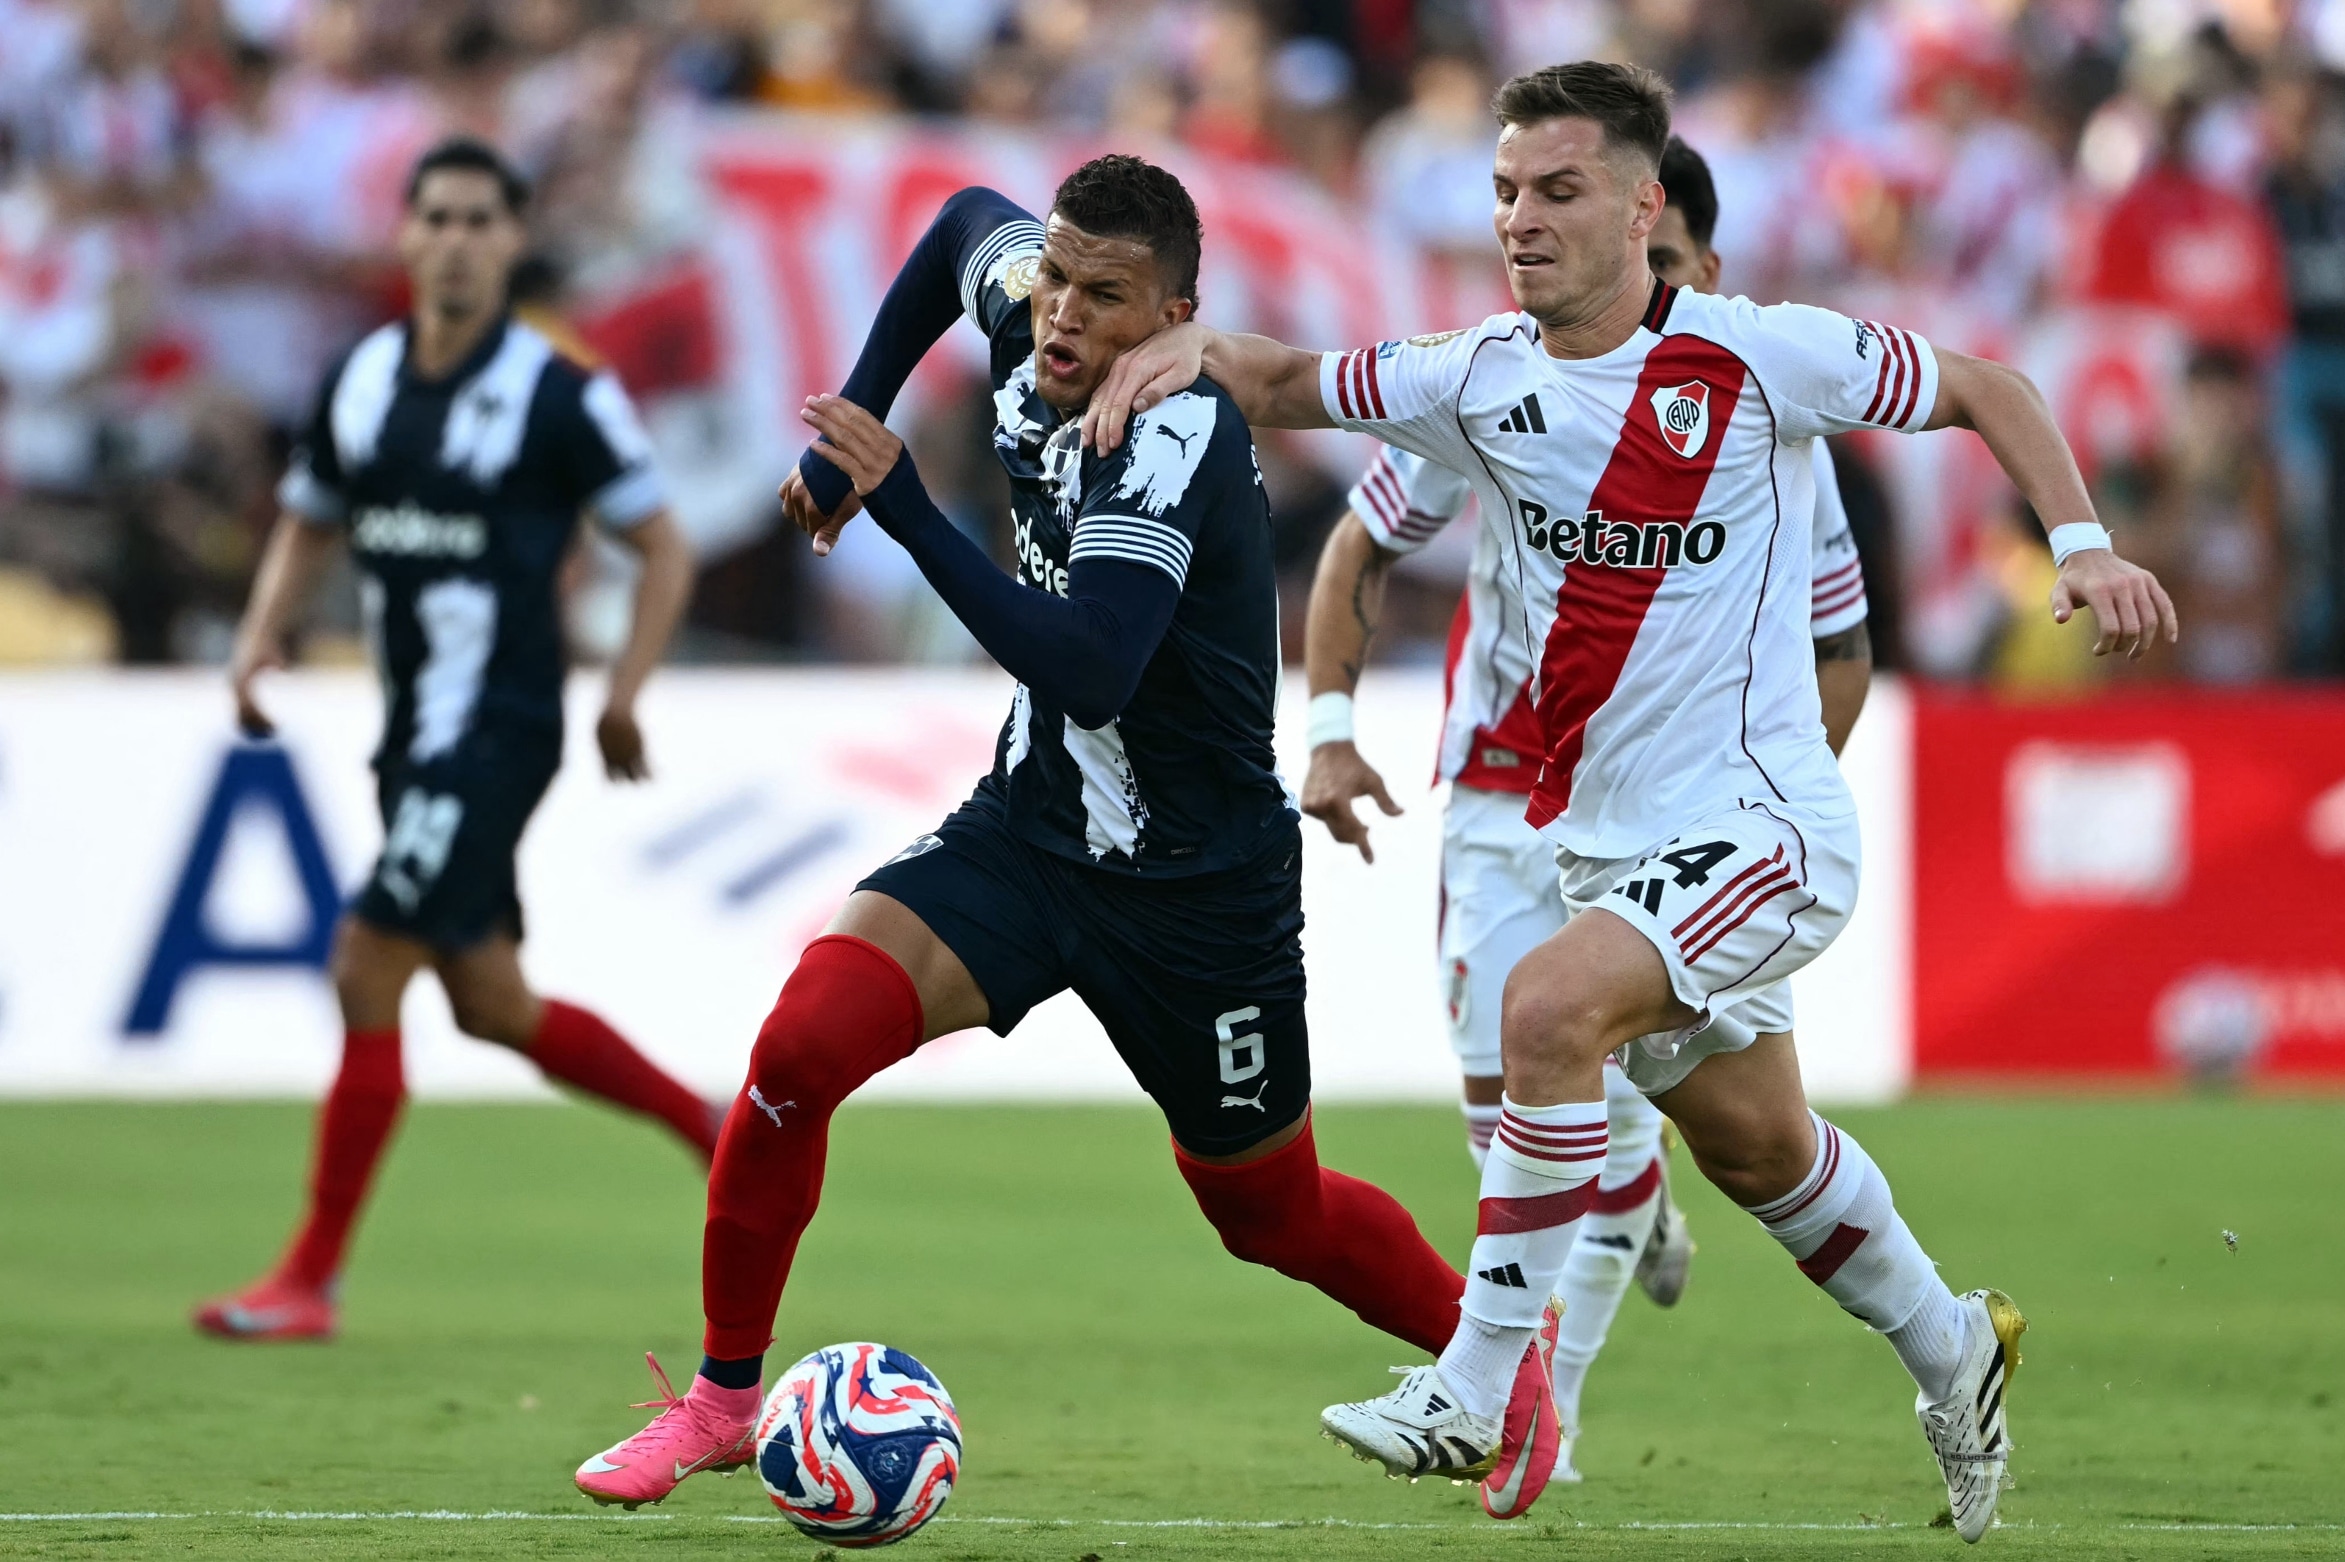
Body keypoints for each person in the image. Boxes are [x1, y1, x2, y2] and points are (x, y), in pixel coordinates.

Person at [1080, 62, 2176, 1534]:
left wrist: (2084, 543)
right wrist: (1183, 345)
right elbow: (1290, 383)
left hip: (1766, 827)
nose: (1521, 220)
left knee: (1544, 1009)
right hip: (1608, 848)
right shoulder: (1477, 378)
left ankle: (1482, 1383)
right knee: (1761, 1151)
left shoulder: (1760, 357)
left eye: (1559, 190)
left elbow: (1990, 387)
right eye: (1505, 193)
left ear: (1644, 205)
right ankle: (1952, 1340)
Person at [571, 155, 1482, 1510]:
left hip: (1196, 886)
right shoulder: (1032, 315)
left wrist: (899, 501)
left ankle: (1503, 1364)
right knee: (800, 1048)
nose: (1060, 310)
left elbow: (1091, 666)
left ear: (1174, 316)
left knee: (1268, 1214)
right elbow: (956, 227)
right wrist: (847, 426)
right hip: (1031, 828)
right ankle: (719, 1400)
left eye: (1104, 296)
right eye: (1056, 275)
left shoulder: (1175, 431)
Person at [1299, 134, 1874, 1486]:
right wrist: (1326, 728)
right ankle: (1604, 1253)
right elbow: (1359, 541)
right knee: (1508, 1113)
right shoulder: (1508, 383)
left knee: (1615, 1096)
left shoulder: (1772, 424)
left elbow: (1843, 647)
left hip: (1685, 819)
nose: (1634, 285)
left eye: (1664, 264)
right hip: (1502, 797)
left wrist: (1760, 802)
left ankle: (1540, 1408)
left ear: (1703, 265)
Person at [194, 137, 708, 1342]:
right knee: (491, 1002)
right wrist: (260, 637)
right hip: (411, 730)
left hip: (497, 728)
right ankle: (715, 1125)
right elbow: (309, 518)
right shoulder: (362, 376)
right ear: (407, 234)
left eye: (483, 220)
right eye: (439, 217)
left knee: (366, 958)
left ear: (513, 241)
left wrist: (624, 691)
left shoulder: (559, 392)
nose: (459, 240)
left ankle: (309, 1278)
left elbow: (664, 545)